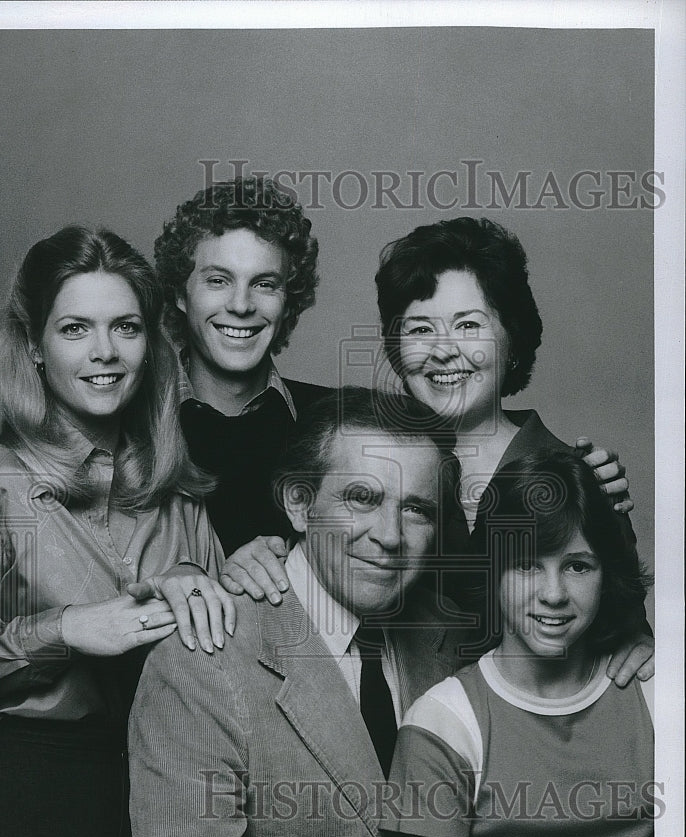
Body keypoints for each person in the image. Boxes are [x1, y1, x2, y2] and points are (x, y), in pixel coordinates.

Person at [0, 225, 232, 837]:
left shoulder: (180, 492)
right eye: (76, 328)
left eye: (125, 327)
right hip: (27, 800)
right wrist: (66, 629)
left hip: (163, 799)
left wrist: (208, 585)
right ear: (36, 346)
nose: (104, 353)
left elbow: (232, 667)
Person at [223, 216, 653, 685]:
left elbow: (628, 641)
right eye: (420, 330)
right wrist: (262, 555)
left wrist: (646, 650)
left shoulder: (580, 479)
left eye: (468, 326)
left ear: (513, 340)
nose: (444, 351)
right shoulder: (359, 452)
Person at [128, 386, 475, 837]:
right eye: (362, 498)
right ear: (297, 503)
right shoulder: (201, 664)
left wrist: (636, 654)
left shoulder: (447, 645)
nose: (391, 535)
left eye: (416, 508)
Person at [380, 451, 654, 837]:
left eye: (577, 565)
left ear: (605, 572)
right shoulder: (442, 724)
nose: (553, 594)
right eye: (527, 564)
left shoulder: (656, 693)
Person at [152, 175, 332, 556]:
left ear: (289, 302)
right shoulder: (135, 424)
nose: (241, 305)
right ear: (180, 295)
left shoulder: (331, 423)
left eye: (264, 284)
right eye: (218, 280)